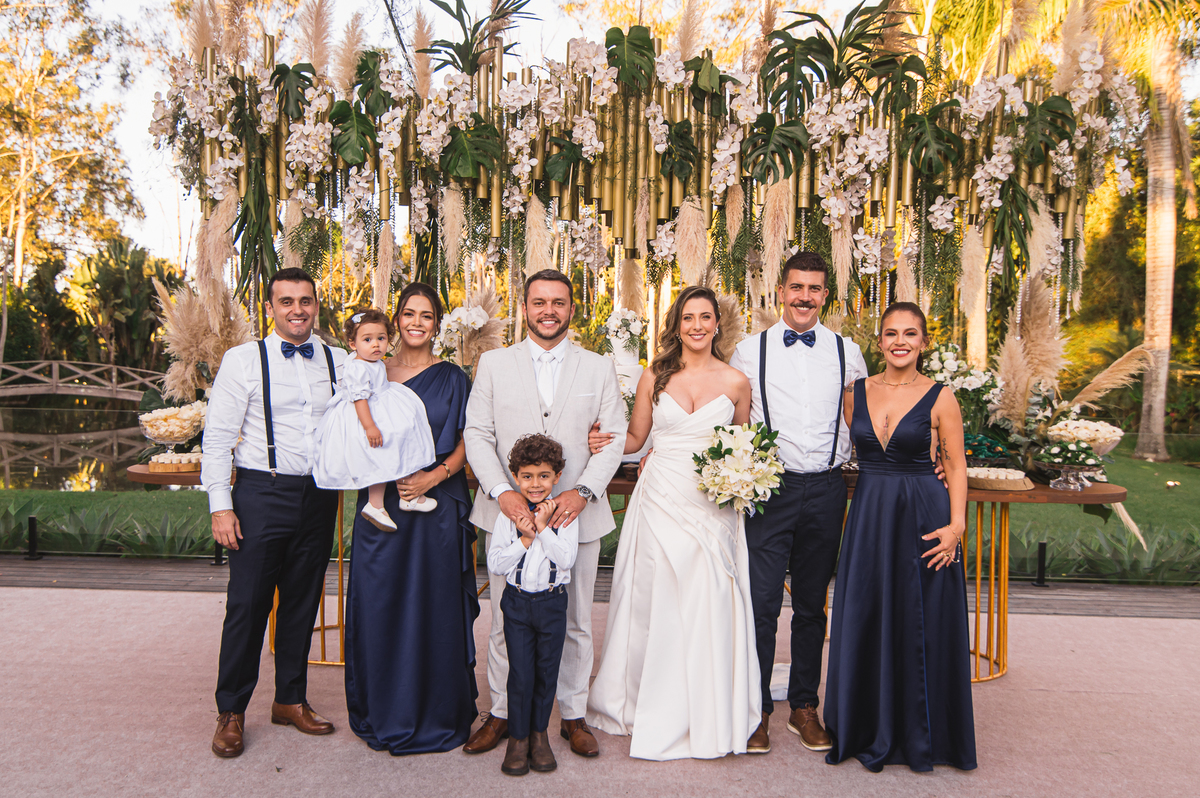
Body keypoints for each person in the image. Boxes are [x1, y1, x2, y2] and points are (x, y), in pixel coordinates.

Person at [586, 285, 762, 760]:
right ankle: (643, 700)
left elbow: (743, 447)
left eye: (705, 317)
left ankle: (706, 705)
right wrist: (601, 439)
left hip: (712, 503)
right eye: (688, 318)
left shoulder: (736, 382)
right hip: (660, 492)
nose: (697, 326)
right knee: (653, 594)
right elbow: (636, 438)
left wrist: (742, 478)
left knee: (709, 595)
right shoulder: (655, 375)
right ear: (677, 325)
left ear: (717, 323)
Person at [463, 269, 627, 759]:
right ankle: (502, 712)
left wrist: (583, 492)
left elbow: (614, 437)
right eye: (539, 302)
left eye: (558, 302)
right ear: (525, 308)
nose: (549, 311)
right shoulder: (494, 363)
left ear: (572, 309)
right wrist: (502, 493)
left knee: (576, 619)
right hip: (506, 515)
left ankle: (572, 715)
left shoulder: (598, 366)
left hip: (577, 517)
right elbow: (477, 434)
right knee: (503, 621)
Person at [824, 302, 977, 772]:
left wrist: (956, 527)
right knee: (865, 610)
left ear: (924, 342)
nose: (900, 342)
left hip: (924, 514)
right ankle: (863, 725)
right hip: (870, 514)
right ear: (880, 341)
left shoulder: (941, 397)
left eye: (910, 334)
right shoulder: (855, 394)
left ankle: (925, 733)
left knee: (921, 616)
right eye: (891, 333)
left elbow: (955, 466)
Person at [202, 267, 347, 758]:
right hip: (261, 493)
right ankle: (231, 711)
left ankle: (290, 699)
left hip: (319, 494)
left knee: (303, 602)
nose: (297, 310)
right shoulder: (242, 360)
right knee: (248, 606)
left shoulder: (338, 360)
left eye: (305, 300)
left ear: (316, 306)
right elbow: (217, 439)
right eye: (286, 301)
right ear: (270, 308)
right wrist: (221, 506)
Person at [728, 252, 868, 754]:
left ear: (825, 295)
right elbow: (727, 419)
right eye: (796, 287)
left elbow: (864, 419)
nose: (804, 297)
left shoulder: (849, 353)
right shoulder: (749, 352)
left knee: (812, 604)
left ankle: (805, 706)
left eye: (813, 289)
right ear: (781, 291)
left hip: (827, 488)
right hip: (771, 489)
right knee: (762, 604)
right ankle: (757, 709)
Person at [343, 283, 480, 755]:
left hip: (436, 508)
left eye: (426, 315)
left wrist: (433, 478)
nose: (416, 322)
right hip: (380, 507)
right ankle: (385, 709)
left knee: (434, 607)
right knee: (380, 602)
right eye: (408, 313)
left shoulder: (454, 378)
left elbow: (469, 442)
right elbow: (348, 430)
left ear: (437, 324)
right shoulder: (370, 372)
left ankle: (437, 712)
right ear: (395, 320)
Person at [487, 434, 580, 776]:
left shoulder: (564, 516)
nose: (536, 484)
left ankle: (540, 736)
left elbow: (566, 559)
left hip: (552, 603)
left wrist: (543, 529)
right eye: (527, 476)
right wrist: (525, 540)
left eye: (544, 476)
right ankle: (518, 738)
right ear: (515, 477)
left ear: (557, 477)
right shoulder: (507, 517)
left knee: (546, 671)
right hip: (517, 604)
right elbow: (496, 564)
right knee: (521, 673)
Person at [313, 308, 437, 530]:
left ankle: (408, 495)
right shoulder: (358, 367)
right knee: (380, 456)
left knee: (404, 437)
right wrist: (370, 426)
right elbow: (360, 399)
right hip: (366, 415)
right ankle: (375, 504)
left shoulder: (375, 362)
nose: (376, 345)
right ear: (353, 344)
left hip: (382, 404)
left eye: (381, 338)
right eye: (367, 340)